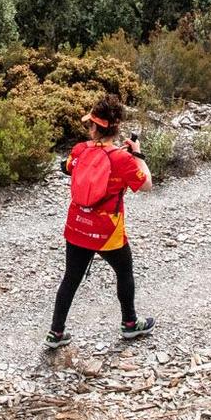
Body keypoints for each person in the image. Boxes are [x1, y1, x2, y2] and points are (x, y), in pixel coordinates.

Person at [48, 94, 154, 348]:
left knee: (70, 279)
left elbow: (67, 167)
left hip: (77, 226)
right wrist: (137, 155)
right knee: (124, 271)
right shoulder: (123, 160)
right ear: (116, 129)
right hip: (107, 231)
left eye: (90, 124)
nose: (88, 128)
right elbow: (147, 184)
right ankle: (130, 324)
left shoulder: (80, 150)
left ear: (96, 127)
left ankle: (55, 333)